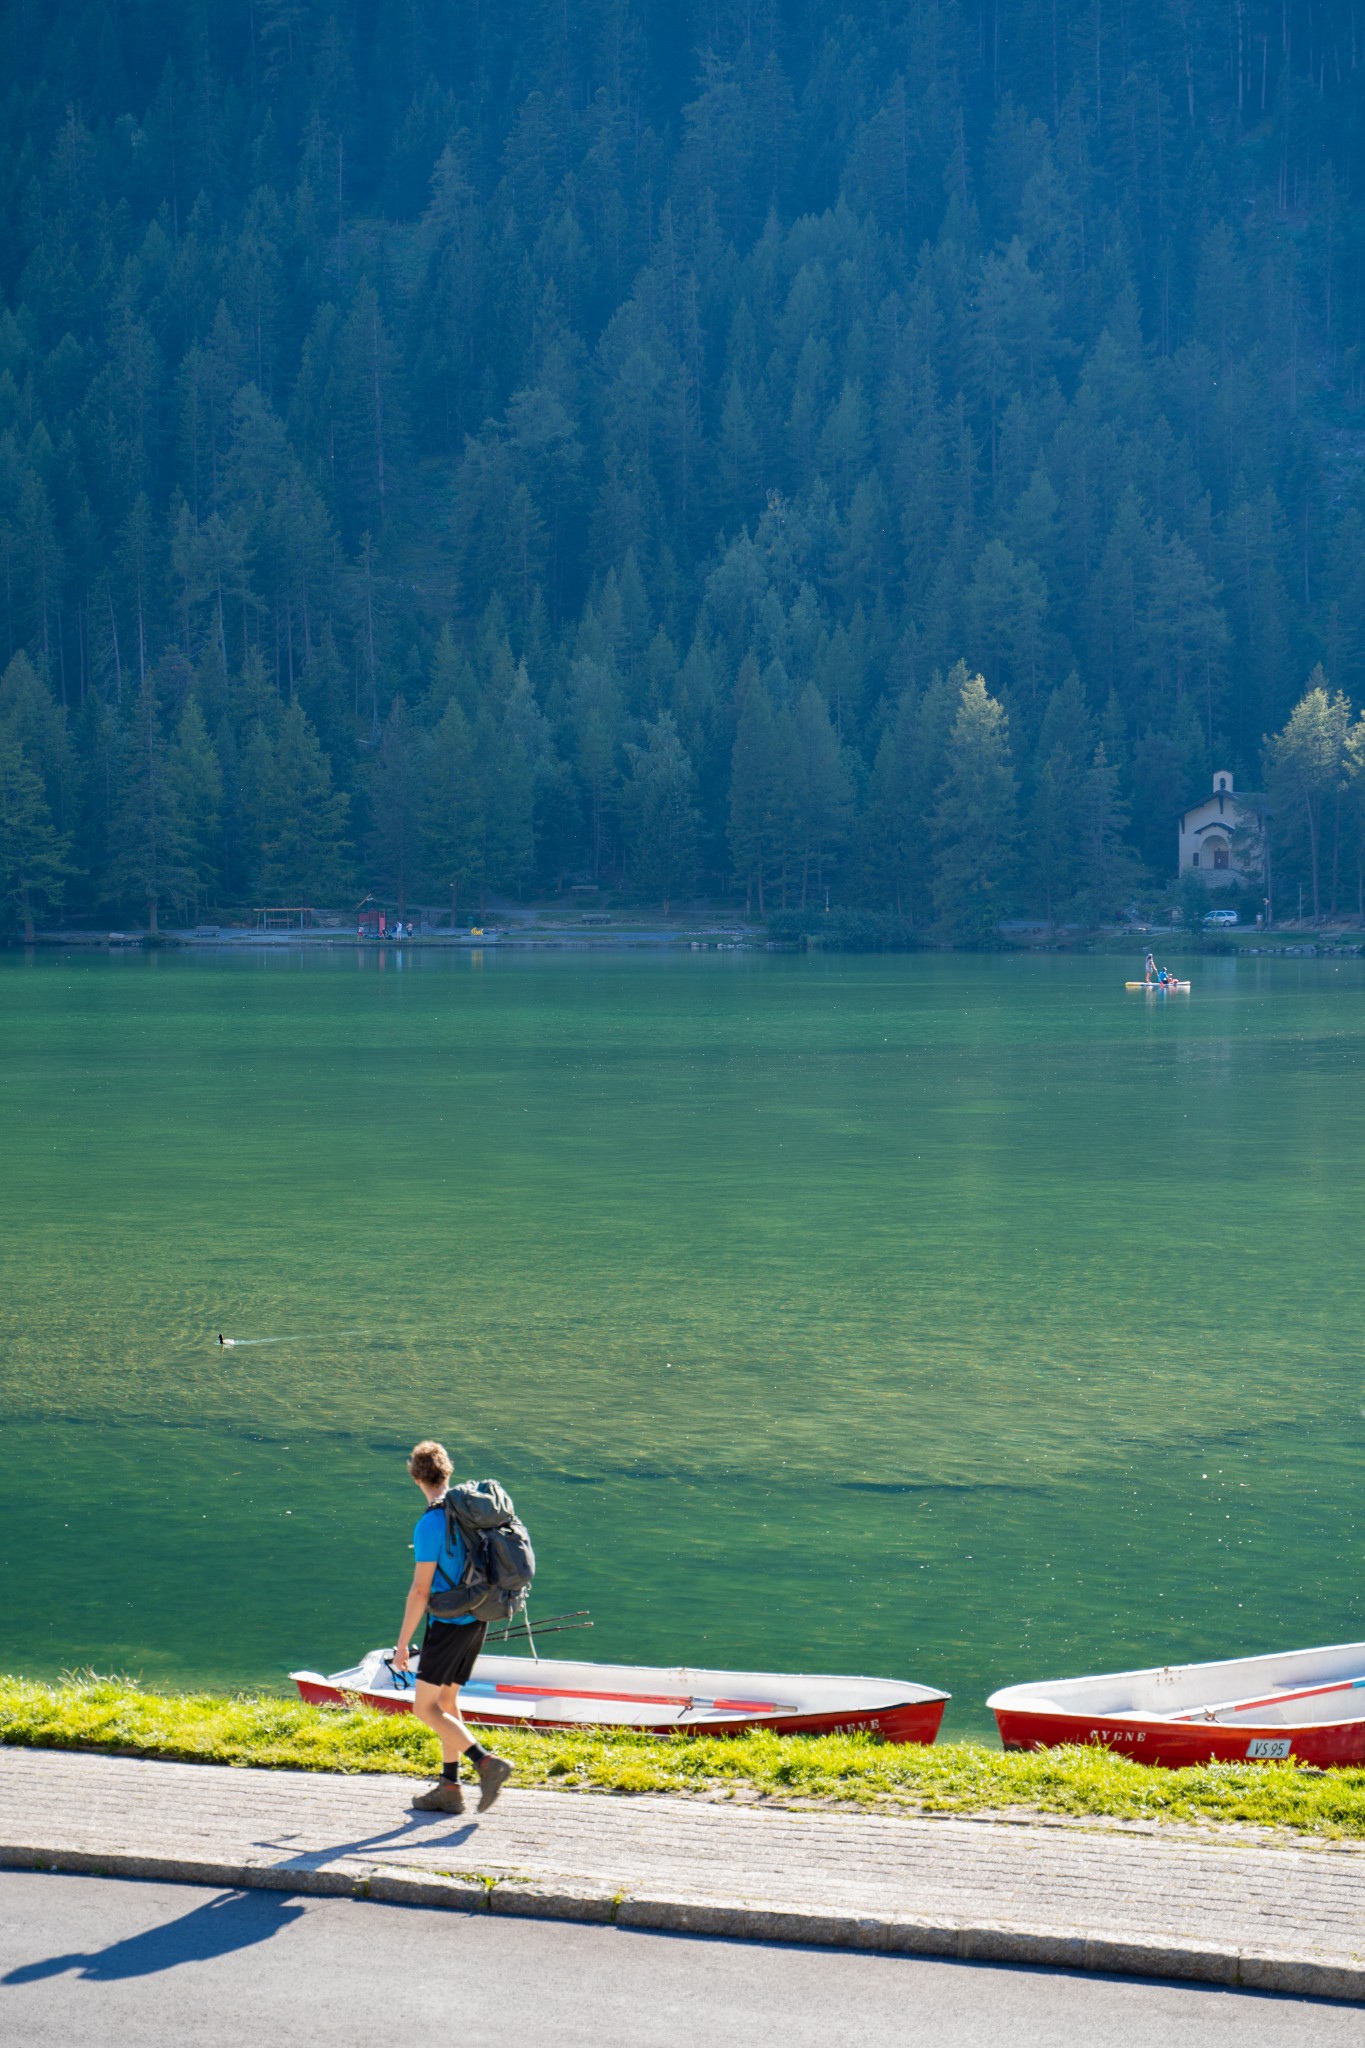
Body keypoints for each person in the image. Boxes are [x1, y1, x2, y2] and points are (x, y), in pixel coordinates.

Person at [394, 1439, 513, 1815]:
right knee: (446, 1702)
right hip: (478, 1616)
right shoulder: (470, 1513)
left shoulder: (431, 1522)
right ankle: (450, 1787)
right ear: (448, 1472)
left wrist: (402, 1644)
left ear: (415, 1478)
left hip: (447, 1623)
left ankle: (486, 1763)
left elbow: (420, 1590)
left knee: (425, 1708)